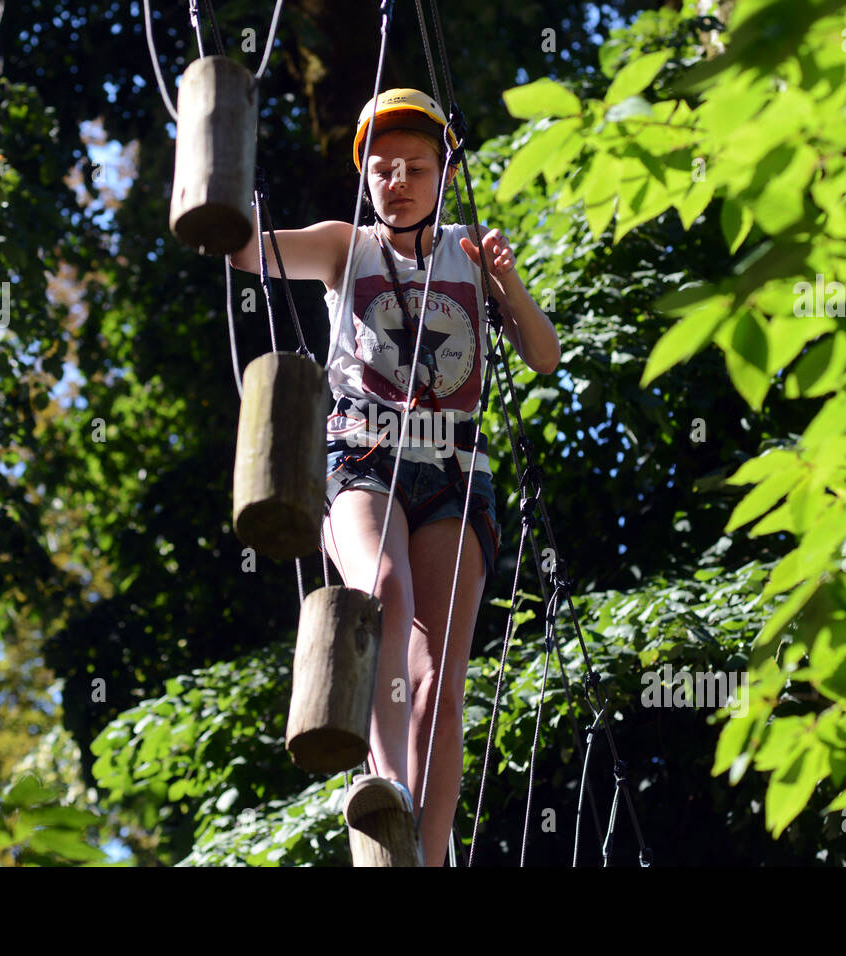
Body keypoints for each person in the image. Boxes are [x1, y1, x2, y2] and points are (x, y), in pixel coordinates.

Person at [230, 88, 559, 866]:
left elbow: (543, 356)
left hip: (454, 468)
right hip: (363, 455)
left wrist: (506, 281)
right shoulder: (346, 247)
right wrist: (229, 177)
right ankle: (391, 792)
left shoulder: (471, 254)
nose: (398, 181)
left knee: (442, 675)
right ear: (366, 178)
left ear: (444, 173)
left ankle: (429, 855)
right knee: (381, 584)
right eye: (382, 169)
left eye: (414, 166)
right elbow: (251, 253)